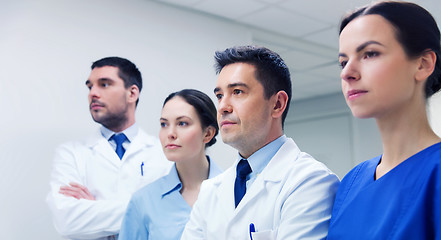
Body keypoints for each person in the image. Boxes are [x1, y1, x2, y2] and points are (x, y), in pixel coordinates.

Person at [181, 46, 340, 240]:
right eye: (220, 95)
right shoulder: (210, 190)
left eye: (237, 92)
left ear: (277, 104)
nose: (222, 107)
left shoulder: (311, 182)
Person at [327, 1, 441, 239]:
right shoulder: (351, 182)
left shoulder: (435, 173)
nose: (347, 72)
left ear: (423, 64)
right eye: (343, 61)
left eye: (370, 54)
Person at [46, 57, 172, 240]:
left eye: (104, 84)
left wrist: (94, 207)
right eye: (90, 87)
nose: (93, 93)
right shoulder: (70, 153)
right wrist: (145, 209)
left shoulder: (164, 153)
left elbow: (171, 215)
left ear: (132, 93)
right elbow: (67, 220)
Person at [118, 89, 223, 240]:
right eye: (164, 124)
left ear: (208, 133)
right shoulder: (143, 201)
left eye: (182, 123)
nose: (170, 134)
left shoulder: (236, 191)